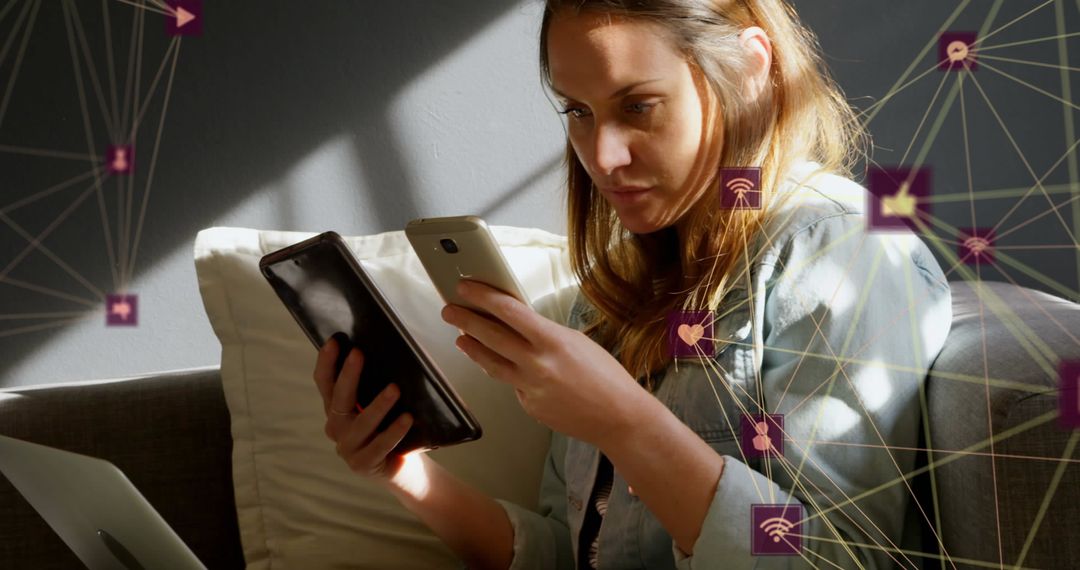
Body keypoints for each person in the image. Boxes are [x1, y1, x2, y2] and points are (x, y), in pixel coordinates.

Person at [311, 0, 953, 568]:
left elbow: (844, 559)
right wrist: (407, 473)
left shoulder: (842, 252)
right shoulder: (616, 289)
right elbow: (577, 552)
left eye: (638, 106)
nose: (603, 156)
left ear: (752, 70)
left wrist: (626, 423)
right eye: (578, 112)